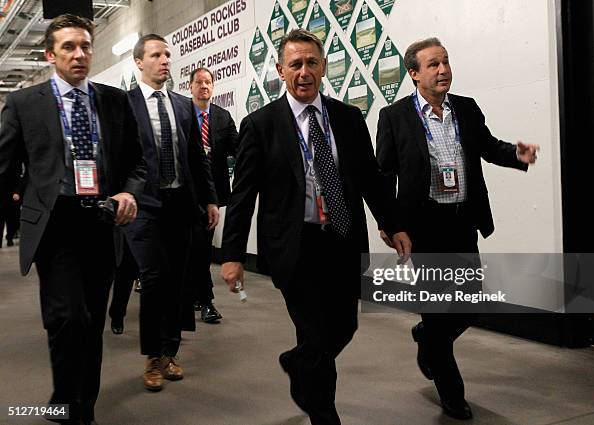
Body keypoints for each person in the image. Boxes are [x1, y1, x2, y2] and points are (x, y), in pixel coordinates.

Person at [221, 29, 410, 425]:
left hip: (342, 237)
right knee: (315, 330)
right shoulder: (260, 124)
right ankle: (325, 414)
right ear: (280, 70)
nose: (304, 72)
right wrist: (233, 255)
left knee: (344, 325)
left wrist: (392, 225)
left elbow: (371, 178)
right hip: (295, 246)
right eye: (295, 64)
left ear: (323, 67)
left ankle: (298, 361)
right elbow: (243, 195)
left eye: (311, 63)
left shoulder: (348, 117)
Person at [376, 37, 539, 420]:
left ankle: (426, 340)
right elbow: (384, 174)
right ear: (414, 74)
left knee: (468, 306)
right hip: (423, 226)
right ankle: (451, 393)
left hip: (462, 220)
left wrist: (516, 155)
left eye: (445, 62)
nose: (443, 69)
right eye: (432, 64)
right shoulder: (394, 116)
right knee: (436, 310)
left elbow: (487, 145)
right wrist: (389, 222)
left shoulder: (465, 108)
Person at [0, 14, 146, 425]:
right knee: (67, 317)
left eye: (85, 46)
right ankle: (71, 403)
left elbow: (137, 161)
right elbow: (3, 166)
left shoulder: (115, 101)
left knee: (92, 320)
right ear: (50, 55)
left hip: (102, 222)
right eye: (68, 47)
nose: (79, 54)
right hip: (54, 225)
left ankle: (81, 404)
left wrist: (127, 191)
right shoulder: (25, 104)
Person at [124, 34, 219, 392]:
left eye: (167, 54)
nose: (165, 60)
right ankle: (152, 355)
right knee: (152, 277)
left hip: (180, 205)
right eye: (156, 55)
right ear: (139, 62)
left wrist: (210, 199)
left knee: (178, 280)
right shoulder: (125, 104)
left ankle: (169, 351)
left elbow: (198, 158)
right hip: (143, 207)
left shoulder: (182, 105)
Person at [188, 67, 239, 323]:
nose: (204, 86)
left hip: (212, 195)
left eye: (208, 82)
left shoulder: (221, 117)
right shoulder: (182, 113)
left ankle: (201, 298)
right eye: (199, 82)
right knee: (192, 247)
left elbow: (238, 148)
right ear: (191, 87)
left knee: (202, 246)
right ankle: (201, 298)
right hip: (186, 193)